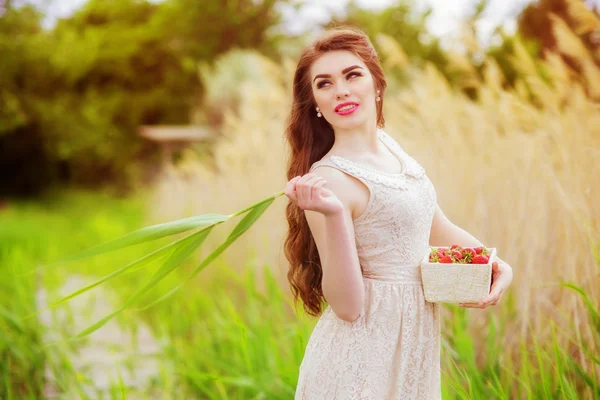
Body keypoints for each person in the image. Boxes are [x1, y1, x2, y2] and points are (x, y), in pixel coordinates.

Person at [283, 27, 514, 399]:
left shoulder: (392, 150)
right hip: (360, 360)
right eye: (324, 84)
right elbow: (347, 307)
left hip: (411, 346)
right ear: (315, 103)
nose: (340, 90)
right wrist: (334, 215)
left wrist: (495, 264)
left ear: (376, 84)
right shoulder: (327, 180)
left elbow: (437, 226)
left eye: (352, 75)